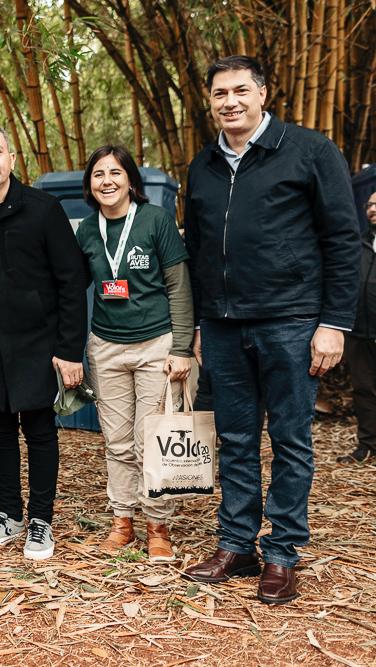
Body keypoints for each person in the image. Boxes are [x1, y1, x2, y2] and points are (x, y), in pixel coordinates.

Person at [182, 56, 360, 604]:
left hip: (291, 321)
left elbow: (342, 239)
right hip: (224, 325)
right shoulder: (204, 164)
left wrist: (333, 323)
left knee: (289, 439)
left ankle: (282, 552)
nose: (229, 101)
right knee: (235, 440)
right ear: (209, 100)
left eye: (240, 90)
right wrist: (198, 323)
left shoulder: (308, 151)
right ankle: (237, 543)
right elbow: (197, 249)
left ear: (263, 93)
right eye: (219, 93)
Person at [0, 123, 90, 561]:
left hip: (40, 346)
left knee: (41, 430)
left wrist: (68, 350)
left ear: (11, 158)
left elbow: (71, 282)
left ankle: (41, 520)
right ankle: (9, 513)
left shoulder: (44, 209)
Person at [76, 145, 194, 563]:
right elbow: (71, 288)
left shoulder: (155, 221)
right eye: (98, 174)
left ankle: (157, 525)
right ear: (89, 184)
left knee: (153, 441)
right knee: (117, 442)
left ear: (130, 180)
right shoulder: (87, 230)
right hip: (106, 346)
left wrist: (182, 348)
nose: (106, 181)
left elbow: (179, 287)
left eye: (115, 172)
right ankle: (122, 521)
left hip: (156, 345)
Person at [337, 191, 376, 463]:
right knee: (364, 389)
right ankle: (368, 445)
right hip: (360, 330)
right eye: (370, 204)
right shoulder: (358, 243)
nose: (373, 209)